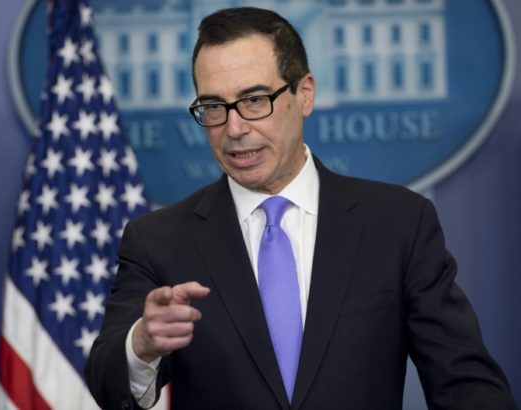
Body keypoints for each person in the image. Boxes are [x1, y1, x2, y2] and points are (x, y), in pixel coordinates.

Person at [85, 7, 517, 410]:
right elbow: (107, 383)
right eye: (214, 106)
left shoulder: (399, 223)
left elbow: (465, 383)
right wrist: (141, 344)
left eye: (255, 100)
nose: (234, 128)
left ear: (304, 93)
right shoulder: (158, 240)